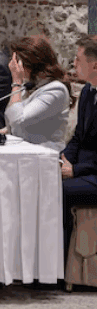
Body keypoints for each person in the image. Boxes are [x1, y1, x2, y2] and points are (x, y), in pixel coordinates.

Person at [0, 36, 70, 150]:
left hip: (45, 152)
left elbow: (18, 120)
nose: (15, 67)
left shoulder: (56, 90)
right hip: (25, 148)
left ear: (31, 64)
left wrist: (16, 82)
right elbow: (18, 120)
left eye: (18, 62)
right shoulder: (30, 85)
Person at [63, 35, 97, 254]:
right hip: (85, 168)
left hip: (93, 173)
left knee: (62, 191)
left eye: (78, 59)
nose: (73, 64)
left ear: (95, 65)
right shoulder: (87, 91)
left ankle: (63, 260)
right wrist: (63, 159)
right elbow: (78, 136)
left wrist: (75, 170)